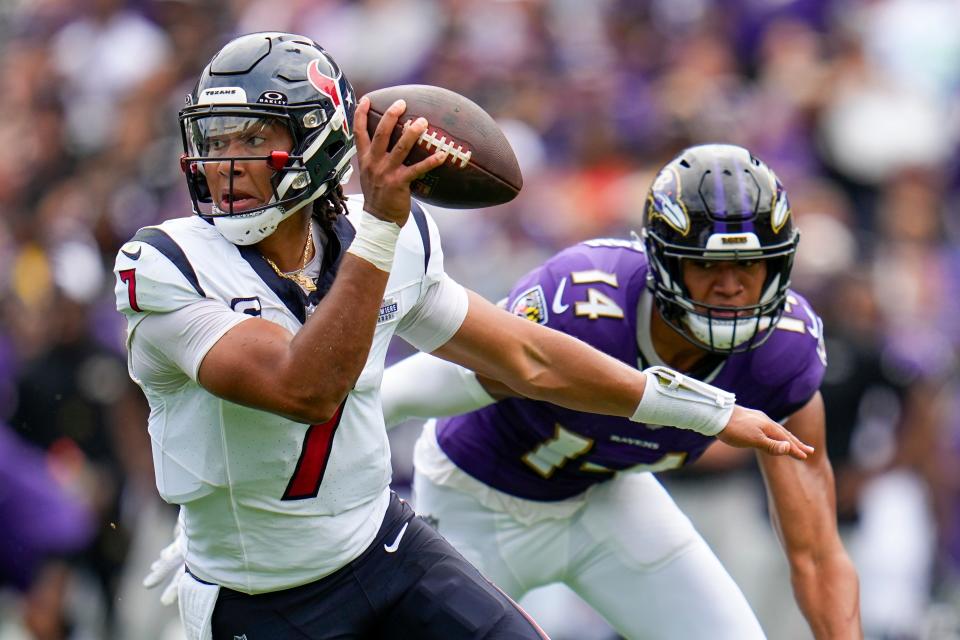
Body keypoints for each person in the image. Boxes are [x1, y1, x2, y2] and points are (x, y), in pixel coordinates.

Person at [118, 33, 810, 640]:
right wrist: (382, 231)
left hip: (381, 549)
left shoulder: (386, 239)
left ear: (316, 141)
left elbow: (526, 356)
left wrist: (711, 409)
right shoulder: (163, 264)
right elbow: (305, 390)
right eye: (218, 140)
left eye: (253, 137)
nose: (227, 163)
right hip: (261, 599)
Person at [380, 144, 863, 639]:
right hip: (474, 498)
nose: (731, 286)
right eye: (708, 266)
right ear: (665, 262)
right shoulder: (586, 301)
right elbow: (418, 388)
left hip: (605, 500)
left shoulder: (784, 350)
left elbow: (818, 553)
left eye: (749, 265)